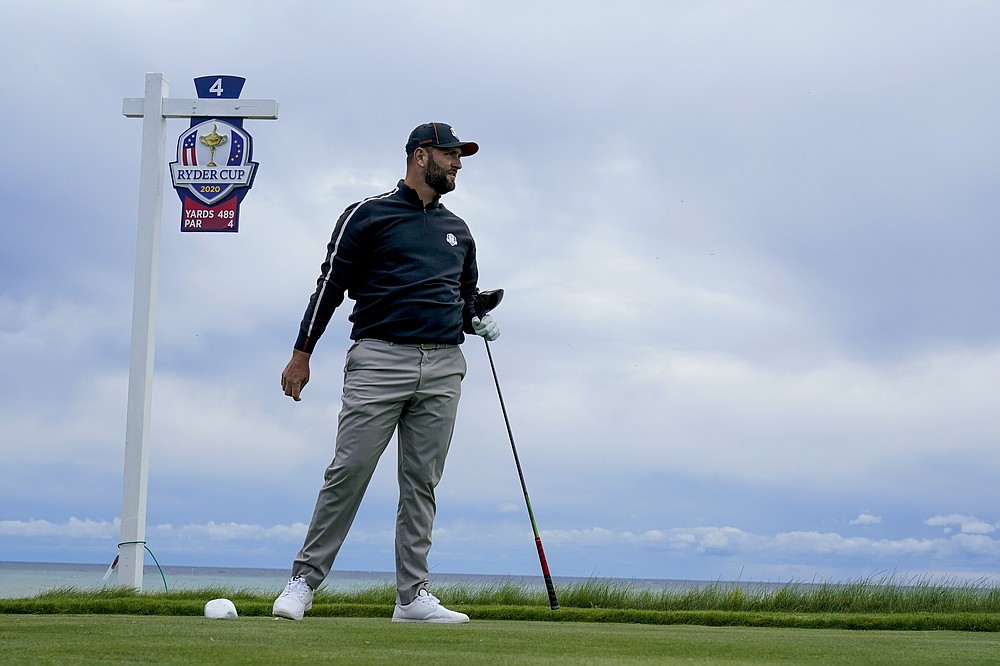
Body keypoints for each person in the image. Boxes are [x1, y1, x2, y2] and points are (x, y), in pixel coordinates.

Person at [271, 122, 500, 623]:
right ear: (422, 156)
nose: (458, 164)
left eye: (460, 157)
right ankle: (303, 582)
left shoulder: (458, 231)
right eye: (451, 155)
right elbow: (329, 285)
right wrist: (302, 352)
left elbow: (463, 297)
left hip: (443, 366)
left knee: (421, 482)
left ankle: (411, 597)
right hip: (379, 359)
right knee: (349, 471)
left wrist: (476, 314)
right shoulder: (367, 214)